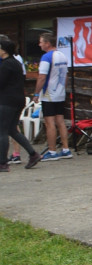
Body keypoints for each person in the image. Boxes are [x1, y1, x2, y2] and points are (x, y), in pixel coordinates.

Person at [0, 39, 42, 171]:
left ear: (4, 50)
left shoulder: (6, 65)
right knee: (12, 129)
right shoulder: (17, 63)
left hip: (7, 100)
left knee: (2, 131)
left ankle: (2, 163)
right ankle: (33, 154)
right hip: (19, 100)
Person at [32, 32, 71, 161]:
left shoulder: (46, 57)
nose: (39, 44)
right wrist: (62, 90)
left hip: (48, 94)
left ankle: (52, 151)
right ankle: (66, 149)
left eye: (41, 42)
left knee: (50, 123)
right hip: (59, 93)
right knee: (60, 121)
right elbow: (65, 76)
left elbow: (42, 77)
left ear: (47, 43)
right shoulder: (63, 56)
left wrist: (36, 93)